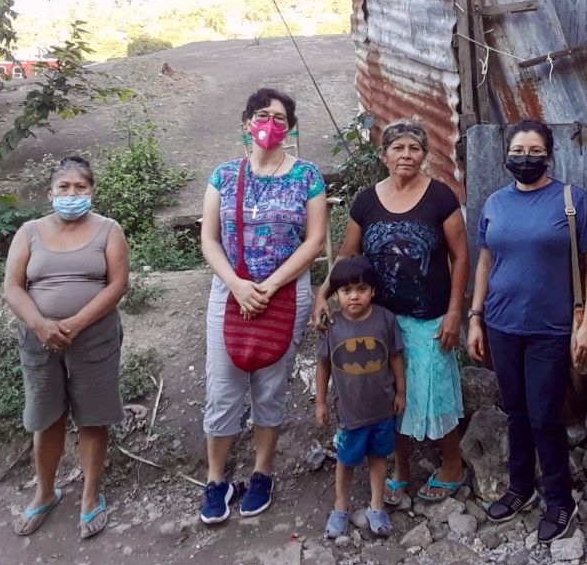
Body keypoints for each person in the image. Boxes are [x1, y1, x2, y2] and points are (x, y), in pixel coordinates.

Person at [312, 119, 469, 506]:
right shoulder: (367, 201)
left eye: (414, 148)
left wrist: (454, 313)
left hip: (429, 316)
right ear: (384, 155)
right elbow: (349, 255)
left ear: (425, 155)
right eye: (398, 148)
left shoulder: (440, 197)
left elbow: (461, 255)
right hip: (379, 317)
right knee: (389, 394)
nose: (406, 155)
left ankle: (452, 465)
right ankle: (400, 468)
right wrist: (323, 292)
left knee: (437, 391)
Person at [466, 120, 587, 543]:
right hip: (501, 324)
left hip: (550, 328)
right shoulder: (495, 202)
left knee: (546, 415)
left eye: (534, 151)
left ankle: (561, 499)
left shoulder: (570, 199)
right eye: (518, 150)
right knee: (516, 411)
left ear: (549, 155)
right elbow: (486, 261)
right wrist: (475, 316)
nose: (525, 158)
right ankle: (520, 488)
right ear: (506, 154)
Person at [199, 87, 326, 524]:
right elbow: (209, 239)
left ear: (290, 127)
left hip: (285, 292)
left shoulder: (307, 176)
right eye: (260, 114)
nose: (268, 123)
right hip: (230, 291)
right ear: (245, 122)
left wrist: (268, 285)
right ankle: (216, 479)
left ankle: (261, 472)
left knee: (271, 386)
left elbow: (315, 241)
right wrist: (236, 284)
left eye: (278, 117)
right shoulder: (223, 175)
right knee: (223, 386)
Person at [3, 155, 129, 539]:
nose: (72, 194)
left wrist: (74, 323)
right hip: (39, 339)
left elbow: (118, 284)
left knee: (93, 416)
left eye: (80, 187)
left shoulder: (109, 230)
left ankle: (90, 496)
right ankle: (45, 492)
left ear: (91, 191)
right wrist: (42, 326)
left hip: (93, 336)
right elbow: (12, 287)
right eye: (64, 188)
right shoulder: (29, 231)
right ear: (50, 192)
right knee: (46, 415)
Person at [315, 256, 406, 539]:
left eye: (362, 289)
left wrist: (401, 392)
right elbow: (323, 365)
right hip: (349, 413)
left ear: (373, 291)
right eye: (346, 291)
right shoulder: (331, 325)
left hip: (381, 409)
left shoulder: (385, 319)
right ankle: (341, 507)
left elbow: (395, 357)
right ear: (336, 294)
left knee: (379, 457)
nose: (354, 296)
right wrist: (319, 402)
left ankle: (376, 506)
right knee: (346, 459)